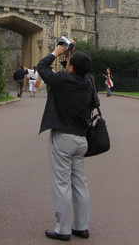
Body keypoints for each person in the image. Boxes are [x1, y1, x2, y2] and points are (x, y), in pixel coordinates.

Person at [36, 39, 96, 241]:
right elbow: (79, 70)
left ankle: (62, 229)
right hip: (81, 140)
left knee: (61, 183)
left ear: (70, 68)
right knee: (80, 183)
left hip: (63, 138)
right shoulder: (88, 83)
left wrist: (56, 52)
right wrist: (71, 57)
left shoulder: (61, 81)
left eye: (69, 63)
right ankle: (81, 226)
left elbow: (41, 67)